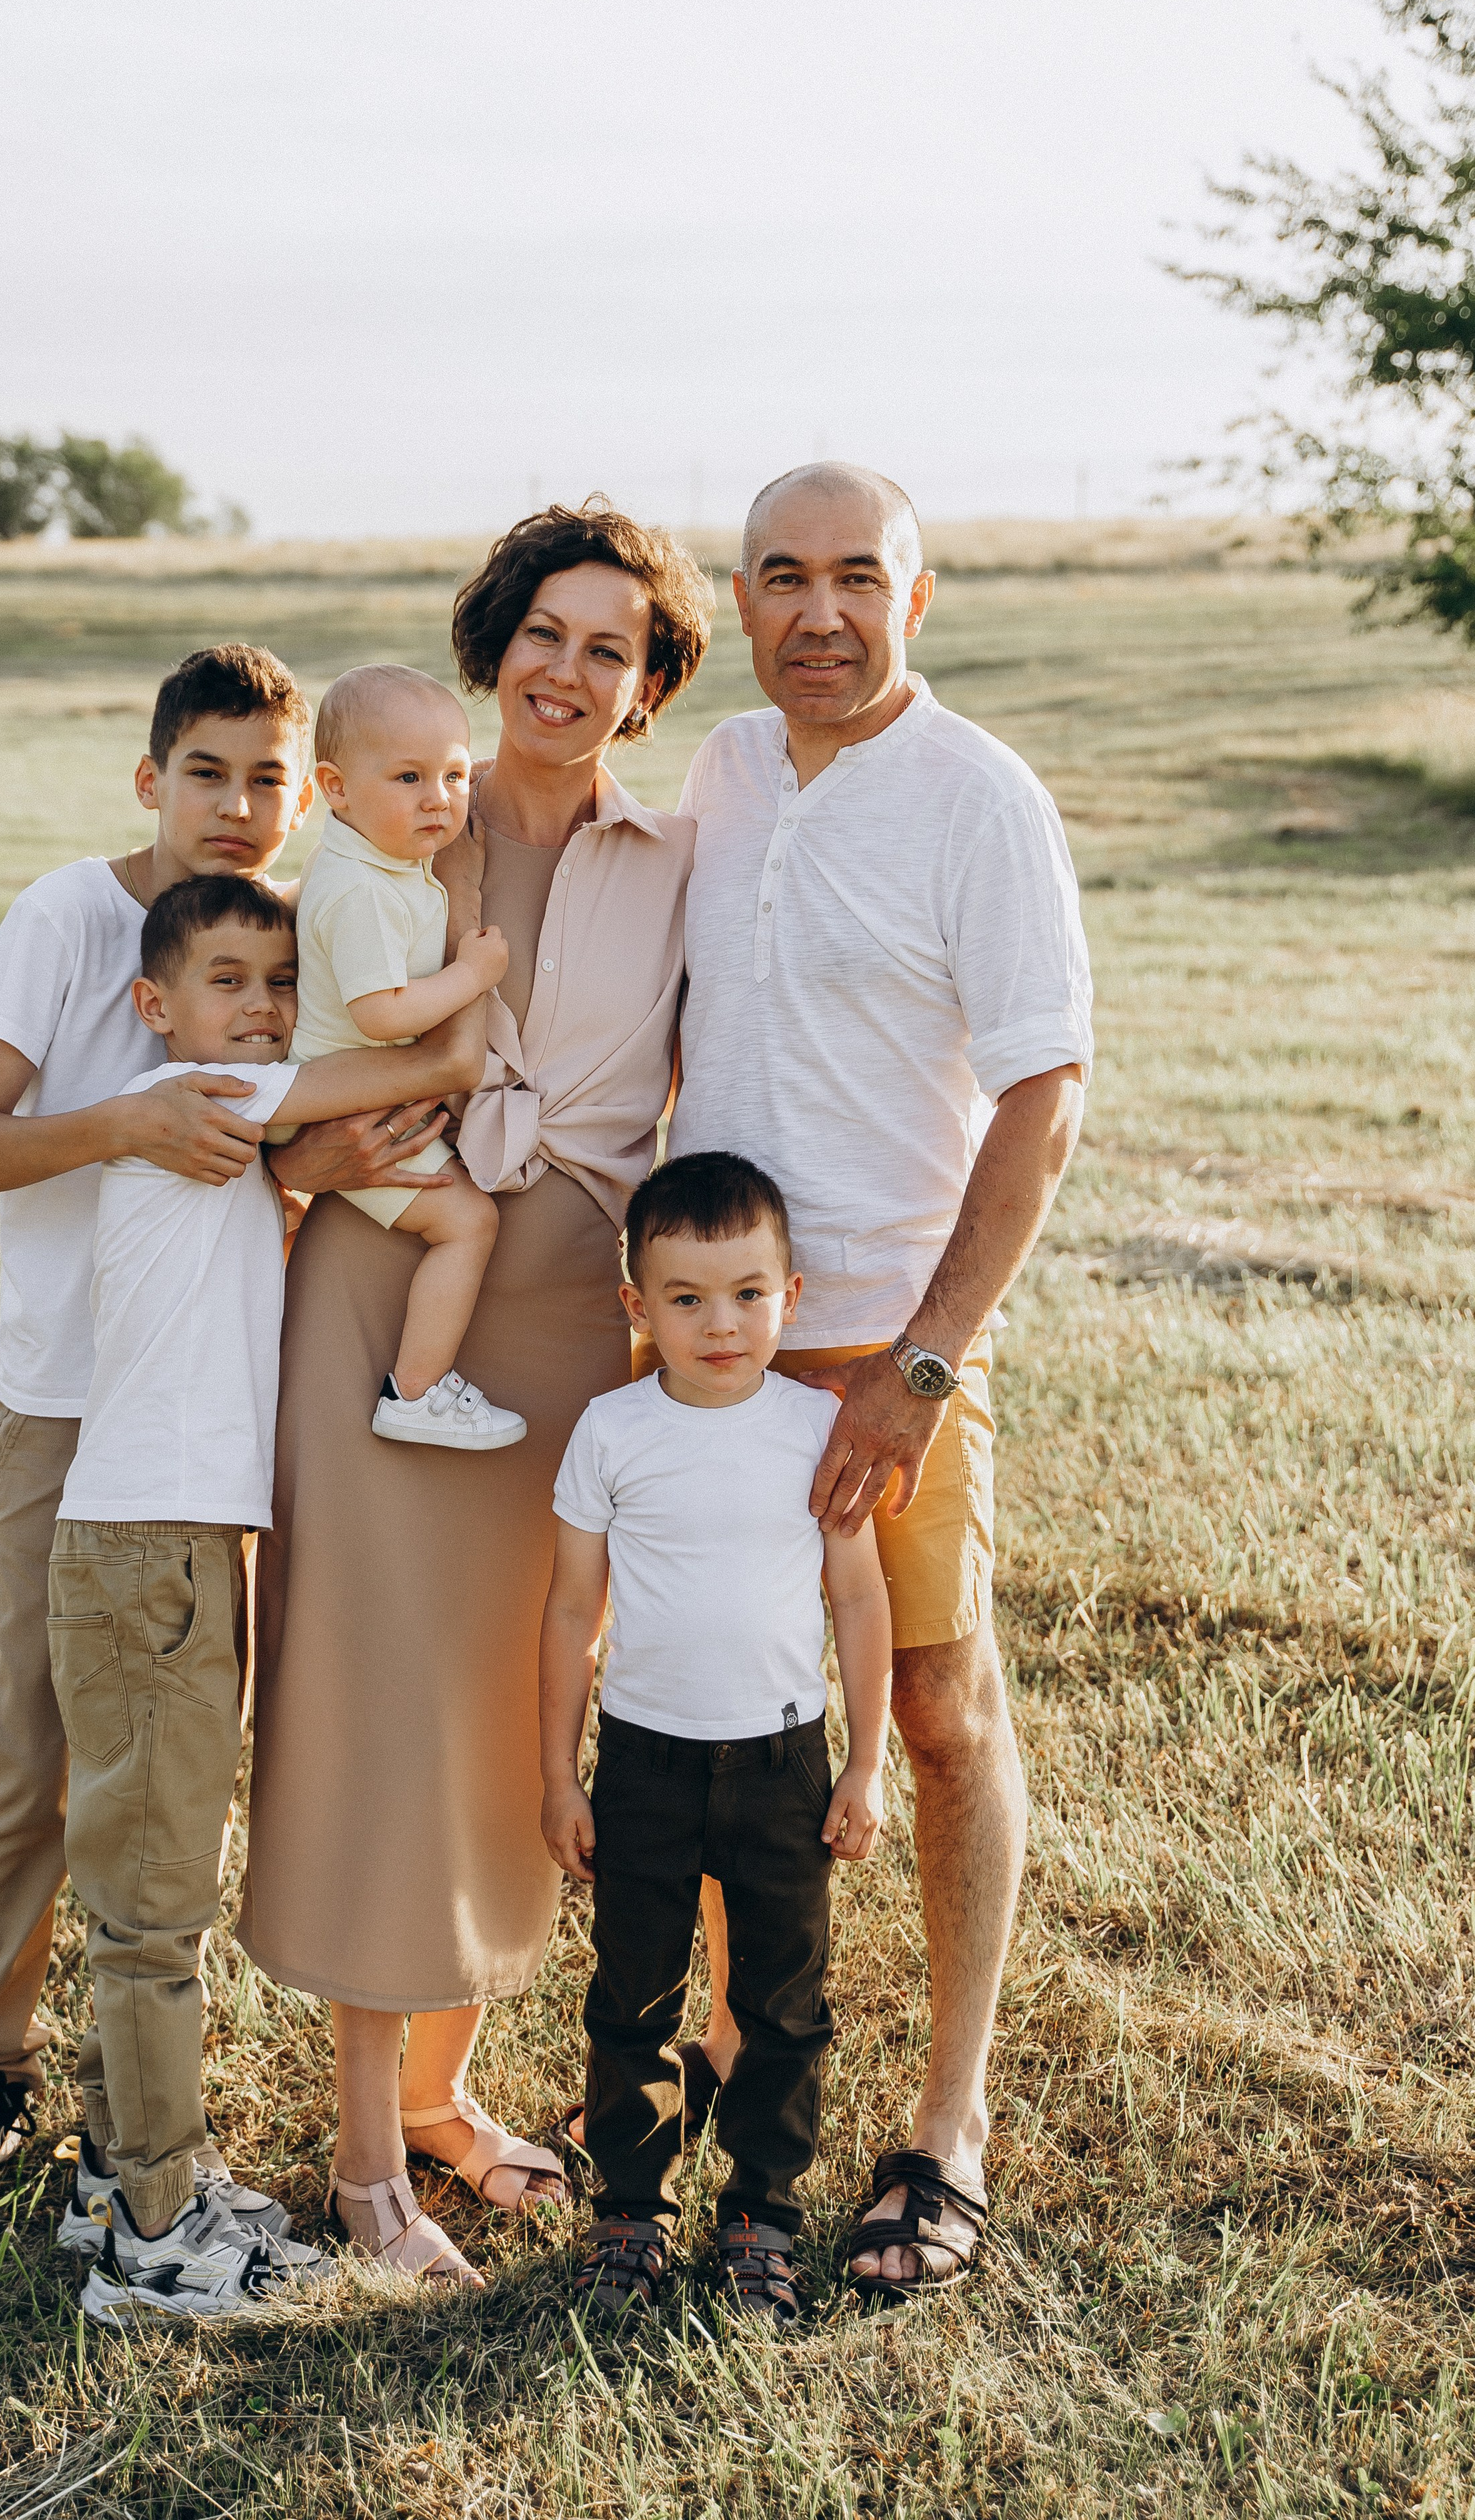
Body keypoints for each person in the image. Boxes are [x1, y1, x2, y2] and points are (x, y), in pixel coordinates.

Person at [0, 642, 449, 2226]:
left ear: (304, 796)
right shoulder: (73, 918)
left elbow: (254, 1155)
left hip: (218, 1410)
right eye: (208, 771)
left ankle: (129, 2100)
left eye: (269, 777)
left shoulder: (276, 938)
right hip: (73, 1405)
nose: (238, 803)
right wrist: (127, 1115)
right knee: (35, 1749)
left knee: (178, 1761)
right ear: (152, 780)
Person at [241, 501, 713, 2284]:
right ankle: (365, 2159)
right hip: (384, 1289)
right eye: (544, 630)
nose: (568, 669)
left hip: (562, 1313)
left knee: (514, 1702)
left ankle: (444, 2095)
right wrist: (306, 1148)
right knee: (375, 1694)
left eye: (613, 645)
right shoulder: (381, 823)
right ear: (489, 640)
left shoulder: (675, 858)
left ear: (650, 687)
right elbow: (260, 1063)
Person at [664, 461, 1094, 2302]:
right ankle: (746, 2062)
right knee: (717, 1709)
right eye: (782, 577)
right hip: (706, 1334)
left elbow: (1042, 1095)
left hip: (885, 1345)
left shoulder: (975, 798)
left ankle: (947, 2123)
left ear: (916, 600)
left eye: (857, 576)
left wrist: (919, 1367)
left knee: (928, 1708)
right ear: (739, 606)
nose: (817, 612)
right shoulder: (722, 773)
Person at [49, 874, 481, 2320]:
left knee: (156, 1874)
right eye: (227, 977)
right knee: (156, 1901)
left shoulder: (222, 1139)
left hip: (169, 1542)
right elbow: (421, 1062)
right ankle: (156, 2230)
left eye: (280, 979)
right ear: (155, 1008)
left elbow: (293, 1168)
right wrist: (468, 965)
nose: (262, 1006)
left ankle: (134, 2172)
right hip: (149, 1546)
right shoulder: (201, 1091)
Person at [540, 1154, 892, 2329]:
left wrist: (869, 1762)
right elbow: (569, 1613)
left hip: (784, 1765)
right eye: (685, 1298)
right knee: (634, 1996)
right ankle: (631, 2217)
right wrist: (558, 1773)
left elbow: (859, 1601)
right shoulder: (610, 1432)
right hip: (643, 1761)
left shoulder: (816, 1428)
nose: (721, 1322)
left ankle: (762, 2218)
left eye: (747, 1292)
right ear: (636, 1306)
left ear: (792, 1293)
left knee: (786, 2002)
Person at [283, 664, 525, 1451]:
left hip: (371, 1092)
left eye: (454, 775)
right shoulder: (358, 889)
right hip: (356, 1106)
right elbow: (379, 1013)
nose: (439, 799)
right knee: (467, 1223)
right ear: (336, 788)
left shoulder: (381, 862)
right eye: (410, 777)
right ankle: (415, 1392)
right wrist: (470, 975)